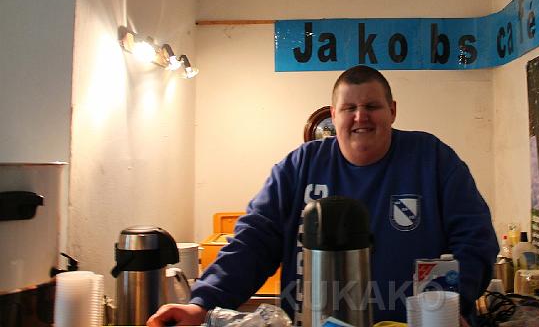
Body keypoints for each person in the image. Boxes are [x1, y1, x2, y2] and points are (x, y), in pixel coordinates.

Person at [148, 66, 498, 326]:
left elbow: (475, 239)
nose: (361, 116)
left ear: (392, 110)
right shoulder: (300, 165)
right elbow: (253, 241)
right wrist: (202, 303)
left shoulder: (432, 158)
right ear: (333, 116)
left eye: (372, 106)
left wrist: (451, 305)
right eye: (349, 108)